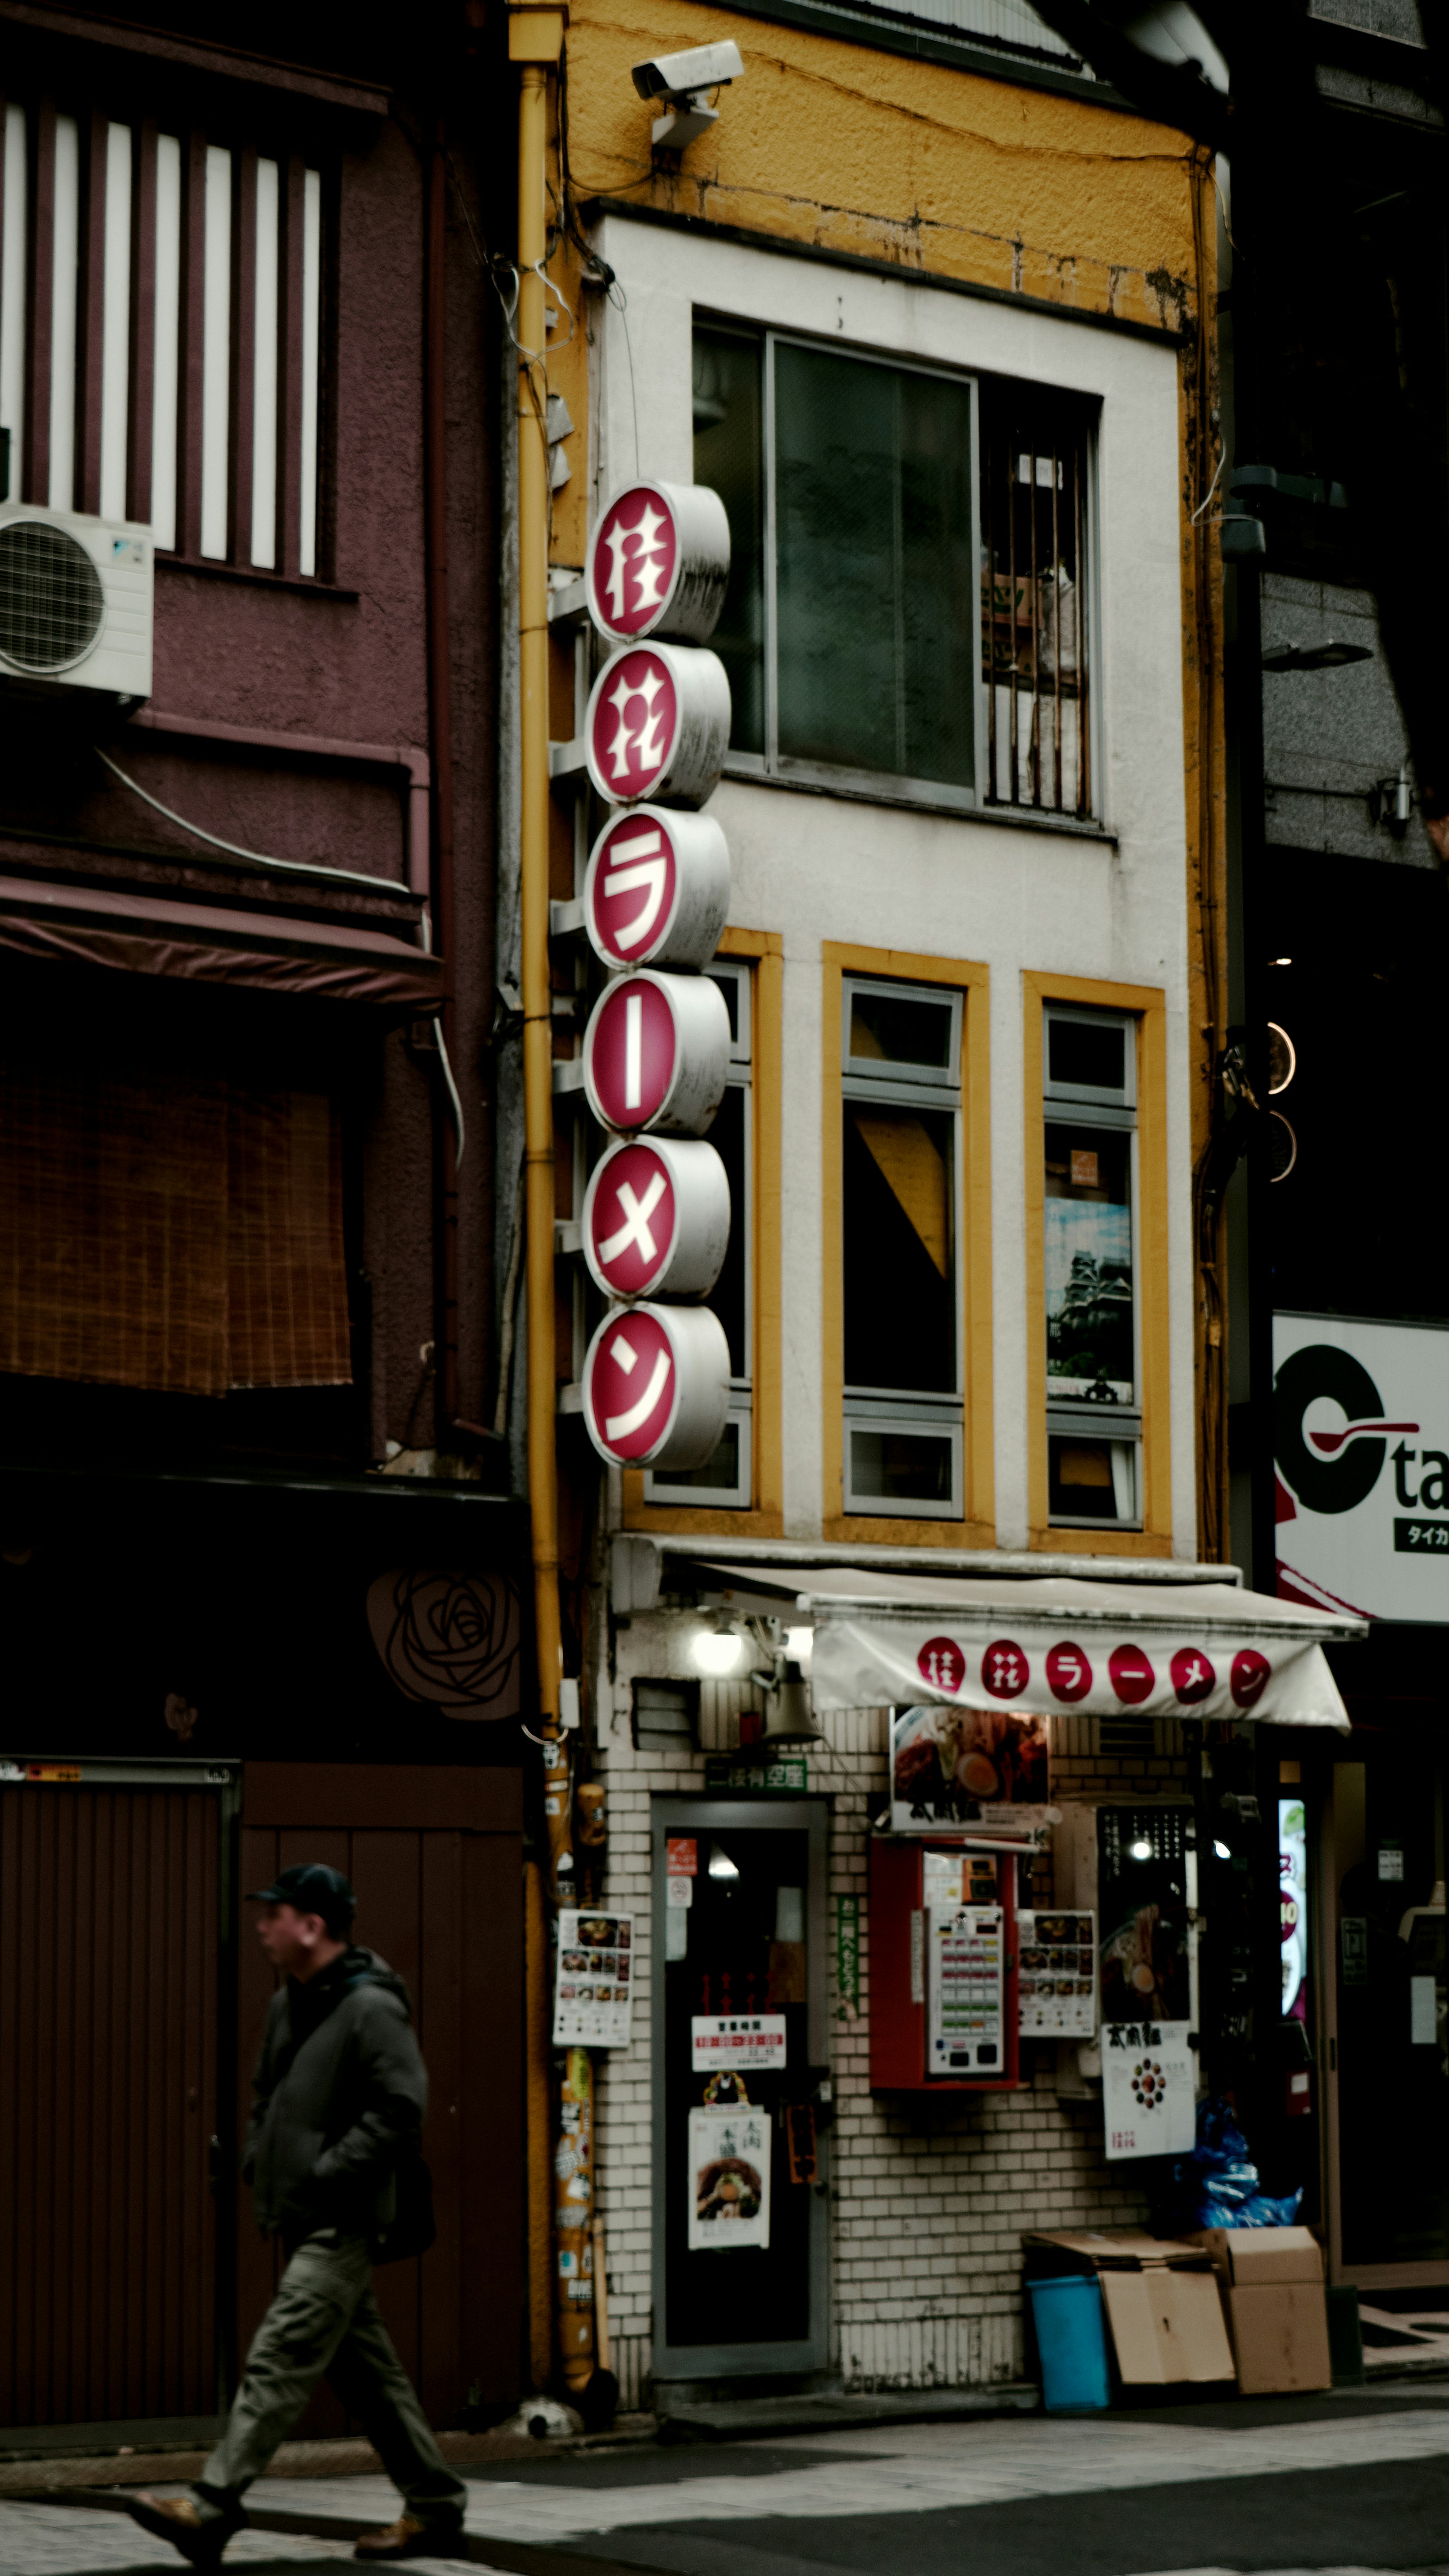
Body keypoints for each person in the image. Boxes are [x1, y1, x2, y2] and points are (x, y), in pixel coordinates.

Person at [122, 1863, 468, 2568]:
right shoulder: (291, 2004)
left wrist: (325, 2172)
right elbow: (264, 2092)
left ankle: (213, 2504)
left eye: (274, 1913)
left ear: (312, 1926)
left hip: (343, 2218)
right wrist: (258, 2156)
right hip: (302, 2214)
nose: (262, 1925)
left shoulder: (373, 2007)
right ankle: (434, 2505)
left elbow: (402, 2111)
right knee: (370, 2378)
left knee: (280, 2354)